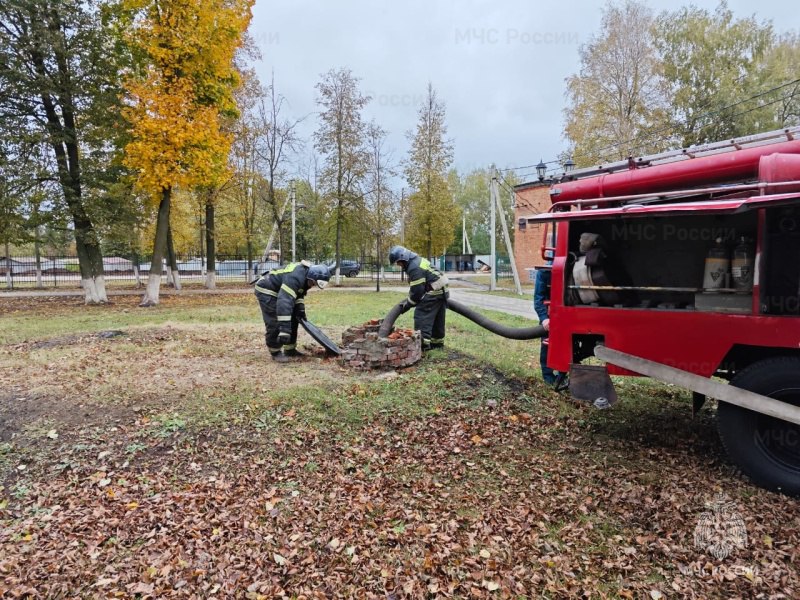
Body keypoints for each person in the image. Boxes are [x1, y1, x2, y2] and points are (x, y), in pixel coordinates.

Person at [254, 260, 331, 363]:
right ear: (311, 277)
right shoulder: (295, 277)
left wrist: (300, 310)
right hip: (267, 289)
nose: (313, 285)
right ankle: (275, 351)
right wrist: (284, 330)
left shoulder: (306, 276)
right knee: (275, 321)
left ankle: (290, 349)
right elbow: (284, 302)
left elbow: (298, 294)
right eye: (313, 283)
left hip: (280, 291)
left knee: (295, 318)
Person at [388, 245, 449, 350]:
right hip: (441, 290)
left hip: (434, 291)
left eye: (398, 262)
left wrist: (407, 305)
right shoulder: (417, 261)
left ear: (403, 258)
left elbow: (417, 292)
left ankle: (422, 345)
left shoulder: (414, 267)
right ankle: (437, 344)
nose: (398, 265)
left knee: (422, 314)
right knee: (437, 318)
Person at [533, 261, 557, 386]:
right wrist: (544, 318)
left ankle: (563, 374)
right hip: (550, 315)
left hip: (569, 312)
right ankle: (548, 377)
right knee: (547, 344)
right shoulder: (544, 271)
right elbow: (538, 298)